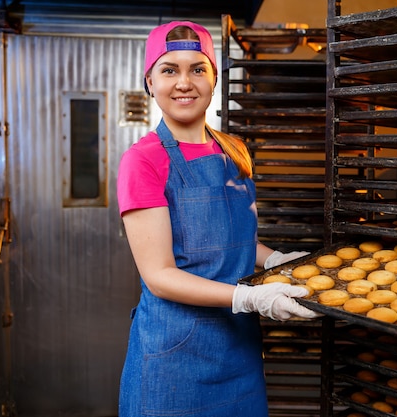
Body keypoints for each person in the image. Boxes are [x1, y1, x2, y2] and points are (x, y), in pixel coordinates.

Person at [116, 20, 320, 417]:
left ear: (213, 79)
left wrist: (275, 259)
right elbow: (159, 275)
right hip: (175, 353)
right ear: (150, 82)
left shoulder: (234, 150)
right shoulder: (142, 160)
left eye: (198, 69)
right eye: (169, 70)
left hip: (238, 348)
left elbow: (231, 238)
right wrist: (249, 297)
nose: (184, 82)